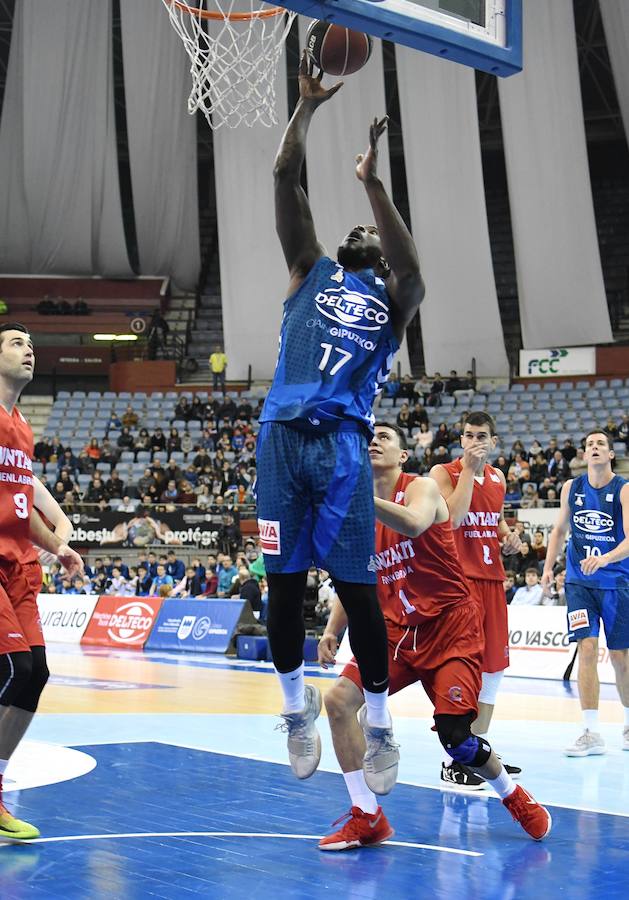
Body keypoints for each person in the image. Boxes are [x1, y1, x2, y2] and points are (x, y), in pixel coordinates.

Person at [255, 51, 424, 787]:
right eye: (356, 219)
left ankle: (380, 725)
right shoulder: (309, 268)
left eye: (372, 229)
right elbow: (282, 177)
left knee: (358, 594)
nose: (360, 228)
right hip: (282, 444)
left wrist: (373, 183)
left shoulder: (394, 301)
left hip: (346, 452)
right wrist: (307, 107)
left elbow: (412, 271)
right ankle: (293, 710)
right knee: (283, 588)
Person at [317, 424, 551, 849]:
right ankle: (366, 815)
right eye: (369, 437)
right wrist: (334, 629)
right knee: (336, 702)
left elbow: (413, 524)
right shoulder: (355, 522)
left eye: (385, 436)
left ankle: (512, 796)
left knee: (457, 739)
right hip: (395, 633)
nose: (374, 441)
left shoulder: (421, 487)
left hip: (450, 627)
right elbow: (354, 580)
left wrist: (355, 500)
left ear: (403, 456)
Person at [0, 323, 83, 841]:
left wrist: (58, 545)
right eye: (14, 343)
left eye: (31, 345)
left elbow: (20, 503)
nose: (28, 351)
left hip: (18, 563)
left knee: (36, 673)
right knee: (13, 666)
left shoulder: (22, 428)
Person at [430, 412, 522, 788]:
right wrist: (469, 469)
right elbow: (452, 519)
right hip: (459, 583)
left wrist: (508, 537)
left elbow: (492, 519)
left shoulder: (498, 478)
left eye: (481, 436)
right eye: (468, 435)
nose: (473, 441)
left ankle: (477, 753)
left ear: (494, 442)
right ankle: (454, 760)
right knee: (463, 670)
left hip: (492, 581)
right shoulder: (443, 473)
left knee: (494, 669)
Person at [542, 430, 629, 756]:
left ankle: (628, 724)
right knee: (587, 649)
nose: (594, 447)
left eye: (600, 444)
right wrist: (549, 568)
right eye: (589, 444)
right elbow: (559, 530)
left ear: (610, 455)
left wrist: (605, 558)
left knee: (621, 658)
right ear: (584, 454)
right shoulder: (571, 488)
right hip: (579, 583)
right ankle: (591, 731)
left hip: (617, 582)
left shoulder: (623, 490)